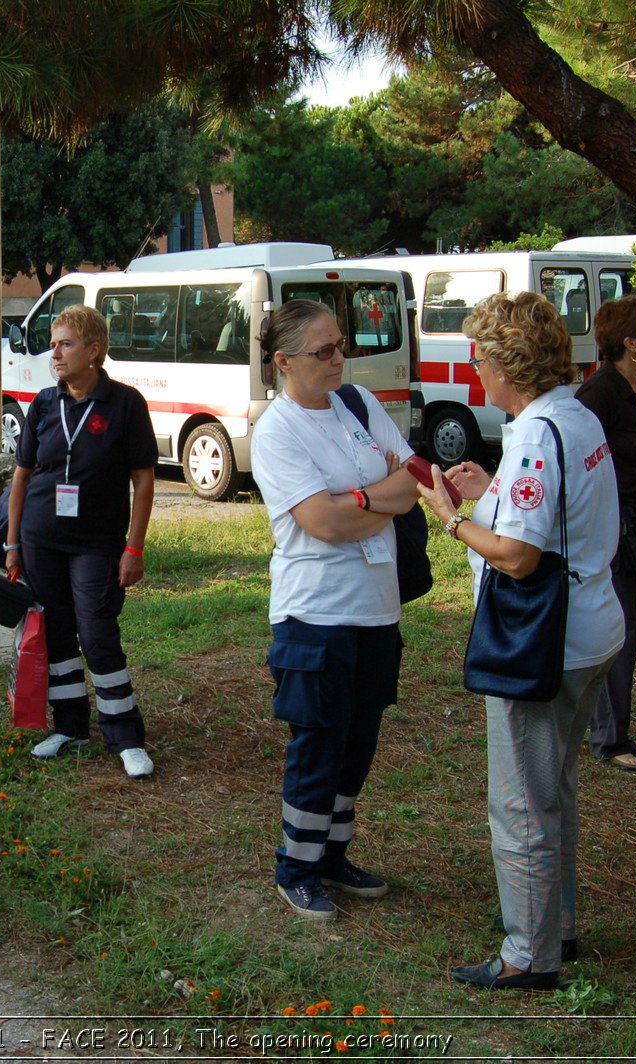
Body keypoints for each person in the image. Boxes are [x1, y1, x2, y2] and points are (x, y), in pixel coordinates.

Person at [413, 291, 623, 991]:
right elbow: (554, 510)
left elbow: (517, 556)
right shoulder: (574, 416)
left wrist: (450, 516)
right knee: (554, 786)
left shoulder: (534, 433)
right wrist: (493, 487)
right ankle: (554, 926)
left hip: (545, 645)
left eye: (480, 360)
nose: (475, 375)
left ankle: (528, 954)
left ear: (510, 366)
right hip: (593, 629)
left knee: (521, 802)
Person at [249, 298, 420, 921]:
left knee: (360, 740)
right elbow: (321, 522)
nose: (339, 358)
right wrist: (382, 497)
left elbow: (417, 479)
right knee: (319, 743)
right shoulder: (277, 431)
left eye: (341, 345)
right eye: (324, 351)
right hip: (315, 613)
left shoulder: (360, 405)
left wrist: (360, 500)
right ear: (284, 361)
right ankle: (296, 865)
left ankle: (332, 853)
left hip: (377, 607)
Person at [4, 304, 156, 779]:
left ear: (94, 350)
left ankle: (126, 736)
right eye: (53, 344)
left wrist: (134, 548)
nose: (56, 353)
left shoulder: (124, 404)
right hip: (40, 539)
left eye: (65, 343)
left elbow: (144, 481)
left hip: (97, 542)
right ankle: (70, 727)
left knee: (96, 633)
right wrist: (11, 545)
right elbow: (22, 478)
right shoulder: (46, 403)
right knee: (57, 634)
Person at [576, 295, 636, 773]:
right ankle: (610, 740)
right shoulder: (599, 393)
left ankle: (582, 694)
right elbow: (577, 452)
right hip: (614, 530)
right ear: (631, 343)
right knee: (625, 631)